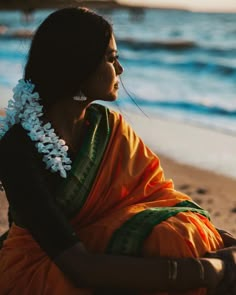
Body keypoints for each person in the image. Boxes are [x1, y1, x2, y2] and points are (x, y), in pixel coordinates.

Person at [0, 7, 235, 295]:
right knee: (172, 242)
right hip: (47, 269)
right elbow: (79, 266)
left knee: (182, 231)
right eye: (111, 59)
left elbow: (158, 199)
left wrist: (222, 242)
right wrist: (204, 270)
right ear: (78, 65)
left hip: (102, 246)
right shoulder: (18, 147)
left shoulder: (107, 126)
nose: (120, 70)